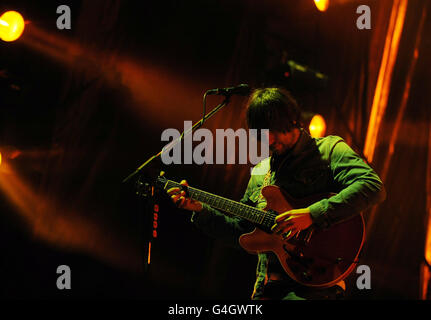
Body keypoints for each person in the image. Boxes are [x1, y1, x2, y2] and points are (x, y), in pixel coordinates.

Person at [167, 87, 386, 300]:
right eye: (263, 135)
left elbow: (372, 186)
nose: (270, 141)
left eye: (273, 131)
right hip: (267, 287)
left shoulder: (329, 150)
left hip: (316, 285)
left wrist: (311, 214)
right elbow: (241, 232)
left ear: (291, 120)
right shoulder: (261, 171)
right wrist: (201, 210)